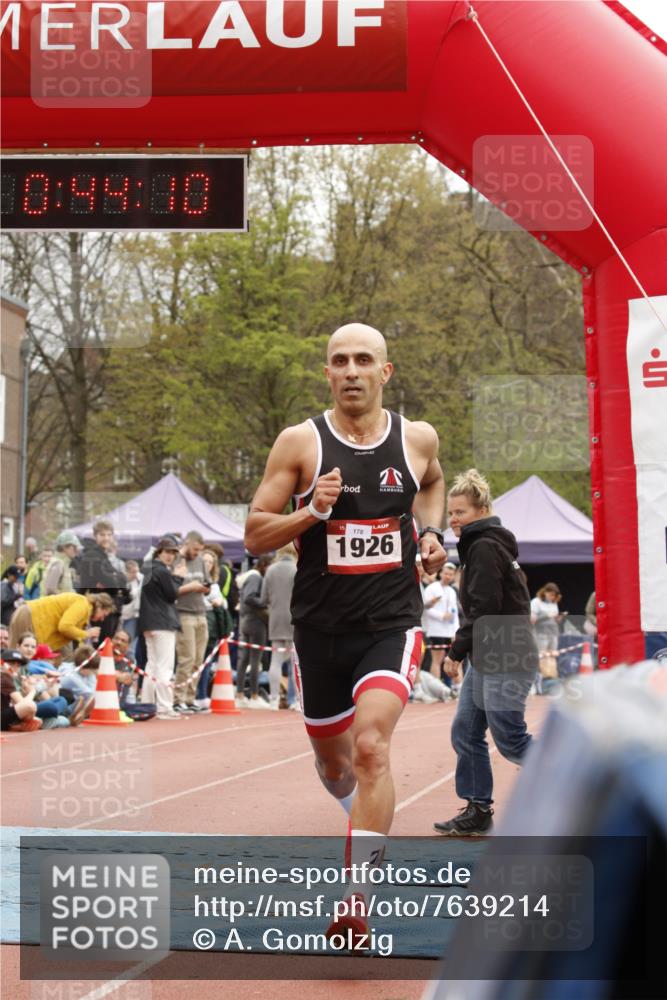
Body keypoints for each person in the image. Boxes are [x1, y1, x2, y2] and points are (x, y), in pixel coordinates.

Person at [244, 322, 446, 928]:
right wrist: (311, 511)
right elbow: (254, 534)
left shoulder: (418, 439)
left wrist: (431, 533)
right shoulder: (300, 443)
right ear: (327, 374)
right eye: (340, 361)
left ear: (386, 372)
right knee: (334, 766)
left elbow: (432, 482)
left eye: (364, 360)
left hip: (391, 620)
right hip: (320, 627)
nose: (351, 370)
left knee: (370, 746)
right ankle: (365, 816)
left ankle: (357, 896)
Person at [435, 469, 537, 837]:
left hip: (506, 655)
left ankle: (580, 784)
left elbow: (484, 610)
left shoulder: (483, 548)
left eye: (460, 512)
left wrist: (456, 651)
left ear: (481, 511)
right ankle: (478, 809)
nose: (453, 520)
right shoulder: (483, 545)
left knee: (510, 739)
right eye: (450, 513)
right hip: (489, 655)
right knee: (465, 730)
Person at [138, 534, 200, 720]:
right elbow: (172, 594)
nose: (170, 556)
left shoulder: (148, 568)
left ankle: (147, 705)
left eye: (173, 552)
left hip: (148, 623)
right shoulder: (162, 570)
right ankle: (164, 708)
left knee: (152, 666)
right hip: (162, 622)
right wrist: (179, 578)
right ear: (159, 552)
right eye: (167, 552)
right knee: (164, 667)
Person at [173, 531, 210, 713]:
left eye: (199, 551)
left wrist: (205, 588)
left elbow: (208, 584)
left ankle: (190, 698)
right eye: (195, 550)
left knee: (198, 660)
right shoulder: (176, 560)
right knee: (186, 659)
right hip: (183, 612)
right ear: (187, 544)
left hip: (201, 612)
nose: (196, 553)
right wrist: (192, 587)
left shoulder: (201, 561)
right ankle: (178, 698)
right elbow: (171, 589)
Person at [73, 520, 129, 641]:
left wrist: (117, 577)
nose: (106, 538)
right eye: (102, 535)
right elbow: (112, 583)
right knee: (100, 647)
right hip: (96, 610)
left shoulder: (103, 555)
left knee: (105, 646)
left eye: (109, 535)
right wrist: (115, 578)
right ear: (95, 536)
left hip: (106, 608)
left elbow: (122, 579)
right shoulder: (92, 555)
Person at [260, 543, 299, 710]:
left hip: (275, 619)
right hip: (294, 619)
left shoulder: (271, 570)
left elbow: (263, 598)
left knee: (275, 661)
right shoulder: (297, 569)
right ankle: (296, 701)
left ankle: (273, 699)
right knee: (294, 662)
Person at [7, 591, 115, 651]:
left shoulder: (84, 612)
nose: (102, 619)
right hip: (29, 616)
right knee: (16, 656)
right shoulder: (83, 605)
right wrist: (87, 634)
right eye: (104, 614)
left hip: (30, 616)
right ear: (99, 606)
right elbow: (64, 626)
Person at [423, 563, 460, 684]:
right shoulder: (431, 588)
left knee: (455, 660)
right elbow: (426, 609)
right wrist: (442, 616)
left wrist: (457, 631)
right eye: (446, 573)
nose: (448, 576)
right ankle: (437, 688)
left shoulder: (452, 591)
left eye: (450, 574)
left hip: (450, 631)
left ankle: (457, 687)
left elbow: (454, 613)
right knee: (437, 660)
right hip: (436, 630)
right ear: (441, 573)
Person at [530, 582, 563, 690]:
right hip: (540, 632)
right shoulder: (536, 602)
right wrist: (546, 616)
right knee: (542, 655)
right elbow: (532, 620)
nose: (552, 597)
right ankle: (541, 682)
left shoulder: (553, 603)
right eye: (551, 594)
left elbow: (553, 618)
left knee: (552, 655)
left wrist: (557, 618)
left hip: (553, 632)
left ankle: (551, 679)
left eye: (554, 595)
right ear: (545, 592)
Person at [43, 531, 81, 596]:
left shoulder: (63, 564)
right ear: (64, 547)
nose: (77, 550)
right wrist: (69, 598)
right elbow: (50, 590)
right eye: (74, 547)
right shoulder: (58, 564)